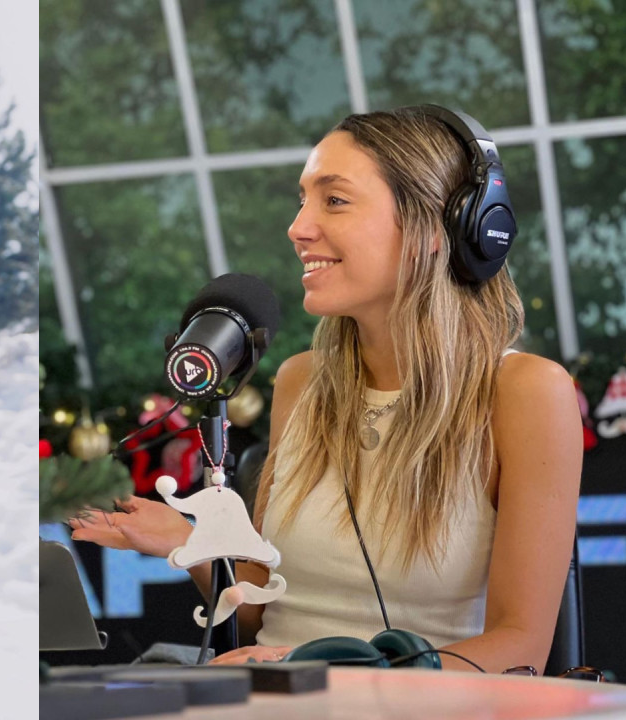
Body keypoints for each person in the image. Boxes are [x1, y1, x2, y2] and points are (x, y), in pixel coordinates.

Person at [70, 106, 582, 673]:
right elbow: (260, 615)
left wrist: (321, 676)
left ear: (439, 228)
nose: (298, 228)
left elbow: (521, 650)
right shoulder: (300, 380)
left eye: (334, 200)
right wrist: (186, 543)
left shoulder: (527, 392)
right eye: (302, 198)